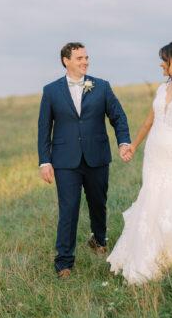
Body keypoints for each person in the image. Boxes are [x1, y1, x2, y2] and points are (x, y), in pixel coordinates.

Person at [107, 40, 172, 285]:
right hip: (154, 155)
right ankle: (146, 252)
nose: (160, 64)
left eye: (163, 59)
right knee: (151, 197)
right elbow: (148, 122)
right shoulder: (162, 89)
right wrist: (133, 145)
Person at [38, 42, 132, 279]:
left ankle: (99, 240)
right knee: (68, 210)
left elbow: (118, 117)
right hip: (64, 161)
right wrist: (44, 161)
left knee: (98, 203)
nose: (85, 62)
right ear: (65, 61)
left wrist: (123, 142)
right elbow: (43, 128)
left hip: (97, 156)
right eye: (79, 58)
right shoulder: (50, 91)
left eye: (86, 57)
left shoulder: (101, 87)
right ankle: (64, 263)